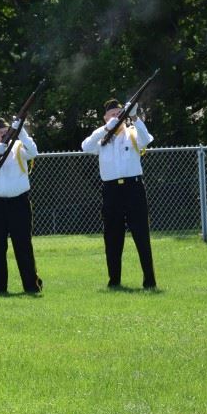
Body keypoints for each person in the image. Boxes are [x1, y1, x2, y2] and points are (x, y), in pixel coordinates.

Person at [81, 99, 157, 289]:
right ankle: (114, 280)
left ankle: (149, 280)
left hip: (133, 189)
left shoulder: (132, 133)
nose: (116, 117)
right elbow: (85, 146)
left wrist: (134, 117)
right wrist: (105, 129)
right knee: (112, 237)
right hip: (111, 191)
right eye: (112, 114)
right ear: (105, 118)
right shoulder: (101, 139)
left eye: (119, 114)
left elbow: (146, 139)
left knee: (141, 235)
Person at [0, 118, 43, 295]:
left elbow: (34, 152)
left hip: (19, 202)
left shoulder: (20, 146)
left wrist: (21, 132)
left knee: (23, 244)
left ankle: (31, 284)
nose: (2, 134)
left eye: (5, 131)